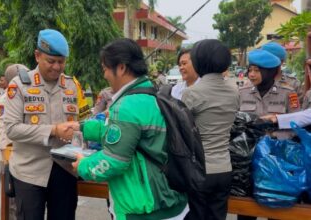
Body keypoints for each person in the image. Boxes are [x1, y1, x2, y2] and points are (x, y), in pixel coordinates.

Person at [72, 38, 188, 220]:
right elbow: (130, 136)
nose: (104, 75)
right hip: (170, 200)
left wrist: (83, 166)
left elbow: (114, 161)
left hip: (144, 208)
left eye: (104, 69)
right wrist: (82, 128)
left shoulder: (126, 106)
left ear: (121, 68)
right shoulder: (154, 94)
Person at [4, 29, 80, 220]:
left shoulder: (71, 86)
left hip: (64, 170)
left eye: (61, 62)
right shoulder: (19, 85)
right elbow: (12, 129)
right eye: (51, 61)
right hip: (30, 172)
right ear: (37, 56)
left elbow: (81, 123)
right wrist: (53, 130)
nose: (56, 67)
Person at [238, 49, 300, 220]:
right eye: (250, 70)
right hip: (249, 158)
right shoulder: (242, 92)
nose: (251, 74)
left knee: (275, 205)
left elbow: (296, 126)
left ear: (269, 71)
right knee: (245, 208)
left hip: (277, 159)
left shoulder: (287, 93)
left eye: (257, 71)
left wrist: (274, 132)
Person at [181, 39, 239, 220]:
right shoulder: (234, 90)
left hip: (199, 169)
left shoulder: (192, 93)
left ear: (198, 62)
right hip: (224, 168)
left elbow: (182, 131)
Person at [0, 64, 29, 220]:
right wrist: (7, 159)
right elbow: (2, 131)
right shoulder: (4, 100)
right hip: (8, 155)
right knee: (10, 200)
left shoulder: (25, 97)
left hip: (23, 155)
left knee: (24, 199)